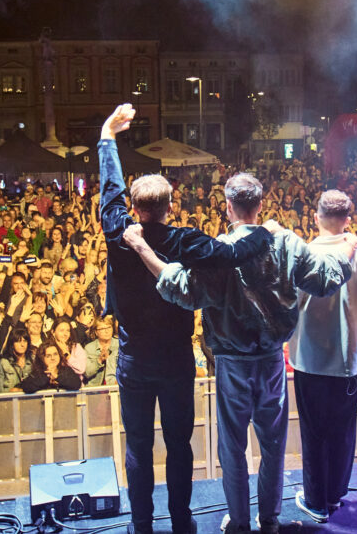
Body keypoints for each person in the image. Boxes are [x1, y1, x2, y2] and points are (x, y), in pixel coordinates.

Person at [123, 173, 356, 534]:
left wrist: (143, 249)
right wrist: (349, 248)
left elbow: (181, 289)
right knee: (273, 445)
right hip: (272, 361)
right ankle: (270, 521)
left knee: (232, 447)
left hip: (232, 363)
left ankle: (240, 523)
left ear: (228, 206)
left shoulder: (220, 251)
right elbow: (325, 280)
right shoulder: (286, 242)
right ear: (261, 205)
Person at [98, 104, 272, 534]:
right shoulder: (184, 241)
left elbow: (109, 189)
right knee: (179, 444)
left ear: (135, 207)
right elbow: (233, 254)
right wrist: (265, 233)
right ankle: (181, 522)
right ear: (170, 205)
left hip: (133, 358)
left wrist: (107, 136)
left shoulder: (119, 232)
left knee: (138, 445)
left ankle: (141, 524)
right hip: (176, 359)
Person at [287, 190, 357, 524]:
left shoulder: (299, 256)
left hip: (308, 360)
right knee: (342, 431)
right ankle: (334, 494)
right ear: (348, 220)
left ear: (316, 217)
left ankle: (316, 501)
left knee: (314, 432)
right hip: (347, 361)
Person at [84, 316, 118, 386]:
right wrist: (99, 360)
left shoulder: (119, 345)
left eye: (109, 327)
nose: (107, 331)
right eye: (102, 329)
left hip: (116, 387)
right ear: (96, 332)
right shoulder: (89, 348)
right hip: (94, 388)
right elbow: (86, 373)